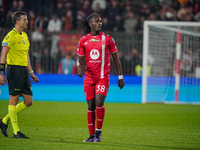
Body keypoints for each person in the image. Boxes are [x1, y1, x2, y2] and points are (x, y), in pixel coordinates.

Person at [76, 13, 125, 142]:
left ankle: (98, 132)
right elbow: (79, 59)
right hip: (89, 78)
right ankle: (91, 135)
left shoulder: (108, 39)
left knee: (99, 102)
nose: (100, 23)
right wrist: (79, 66)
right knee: (90, 105)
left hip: (102, 77)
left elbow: (116, 59)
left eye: (100, 21)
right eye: (97, 22)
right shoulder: (84, 40)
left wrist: (120, 77)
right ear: (90, 24)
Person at [0, 11, 39, 138]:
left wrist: (31, 72)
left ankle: (4, 120)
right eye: (24, 19)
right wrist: (1, 73)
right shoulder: (10, 36)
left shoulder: (25, 36)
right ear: (17, 21)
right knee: (14, 99)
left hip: (23, 71)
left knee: (28, 101)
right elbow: (3, 55)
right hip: (14, 70)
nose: (27, 21)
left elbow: (26, 55)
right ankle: (16, 132)